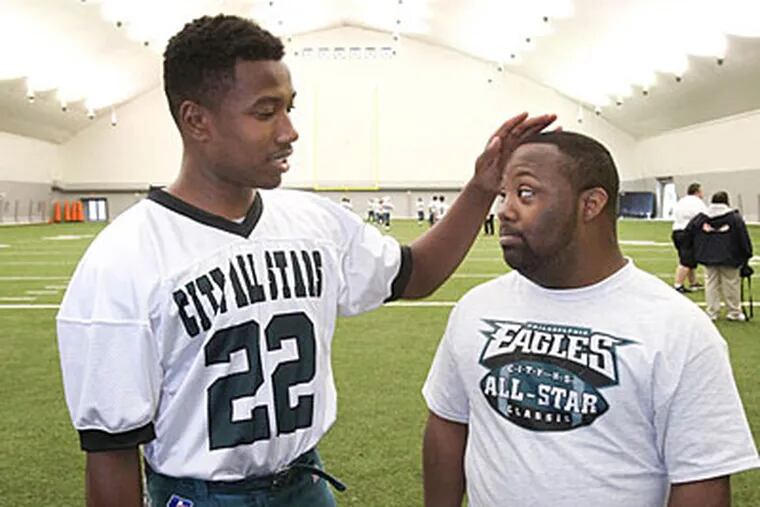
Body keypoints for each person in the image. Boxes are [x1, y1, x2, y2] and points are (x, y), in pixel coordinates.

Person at [56, 14, 557, 507]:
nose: (289, 131)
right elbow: (111, 452)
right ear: (196, 120)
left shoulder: (312, 221)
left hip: (304, 484)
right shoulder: (122, 259)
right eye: (265, 112)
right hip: (200, 495)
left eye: (289, 108)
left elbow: (415, 273)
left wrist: (480, 188)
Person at [422, 131, 759, 507]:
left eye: (526, 193)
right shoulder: (476, 307)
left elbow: (701, 481)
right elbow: (448, 422)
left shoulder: (677, 328)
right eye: (504, 195)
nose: (504, 210)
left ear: (591, 204)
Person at [687, 191, 753, 321]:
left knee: (711, 284)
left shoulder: (701, 218)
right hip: (730, 256)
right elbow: (743, 238)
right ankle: (734, 312)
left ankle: (712, 312)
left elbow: (689, 232)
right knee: (731, 284)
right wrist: (747, 254)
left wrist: (697, 249)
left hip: (707, 256)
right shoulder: (734, 218)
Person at [671, 182, 706, 293]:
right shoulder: (697, 203)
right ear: (697, 192)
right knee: (686, 261)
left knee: (690, 259)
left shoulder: (681, 201)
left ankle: (693, 282)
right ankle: (678, 285)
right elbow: (703, 216)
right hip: (688, 232)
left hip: (676, 231)